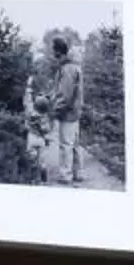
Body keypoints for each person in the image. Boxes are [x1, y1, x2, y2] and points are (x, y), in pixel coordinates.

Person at [43, 31, 85, 184]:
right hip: (75, 111)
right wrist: (51, 95)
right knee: (74, 144)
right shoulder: (72, 66)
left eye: (52, 48)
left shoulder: (67, 68)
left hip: (68, 112)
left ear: (58, 50)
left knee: (66, 145)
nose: (51, 51)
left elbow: (65, 95)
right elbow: (62, 90)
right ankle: (78, 173)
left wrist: (54, 111)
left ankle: (66, 176)